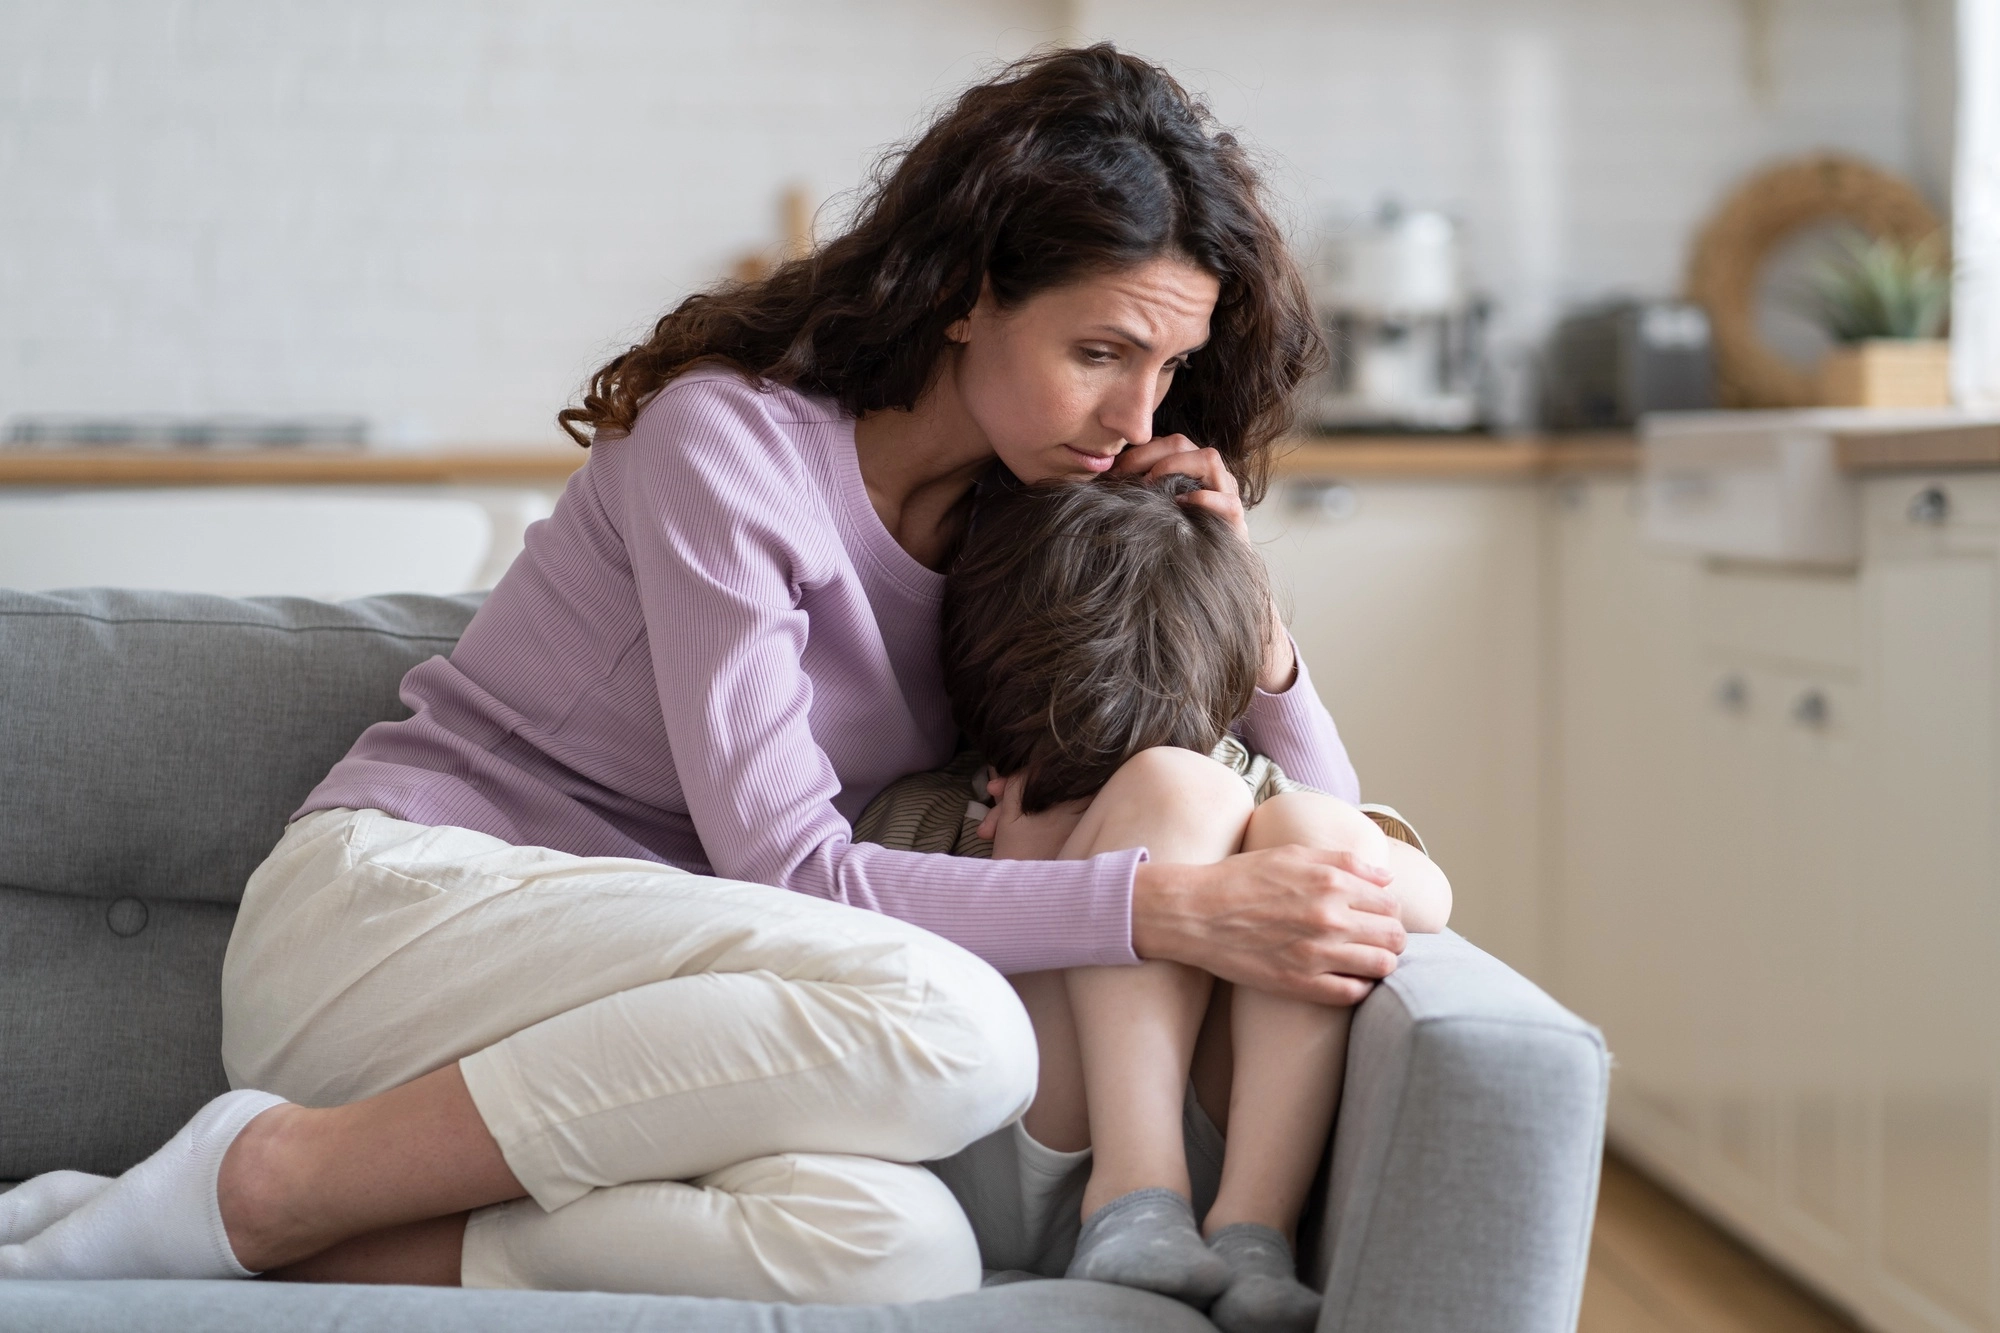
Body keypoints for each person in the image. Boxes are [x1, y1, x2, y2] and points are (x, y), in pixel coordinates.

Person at [0, 45, 1410, 1298]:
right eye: (1099, 351)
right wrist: (1171, 911)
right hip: (406, 919)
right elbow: (791, 876)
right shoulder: (725, 449)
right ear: (971, 296)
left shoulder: (1027, 523)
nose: (1134, 415)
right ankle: (275, 1176)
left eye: (1167, 369)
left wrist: (1260, 634)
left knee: (898, 1248)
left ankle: (217, 1225)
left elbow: (1320, 840)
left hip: (666, 1005)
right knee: (957, 1027)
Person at [855, 473, 1449, 1332]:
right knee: (1184, 790)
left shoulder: (1237, 781)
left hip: (1208, 1184)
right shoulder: (955, 806)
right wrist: (1031, 874)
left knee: (1300, 821)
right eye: (1068, 786)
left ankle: (1256, 1234)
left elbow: (1423, 896)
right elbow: (844, 943)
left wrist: (1311, 837)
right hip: (1012, 1157)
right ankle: (1135, 1194)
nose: (1090, 801)